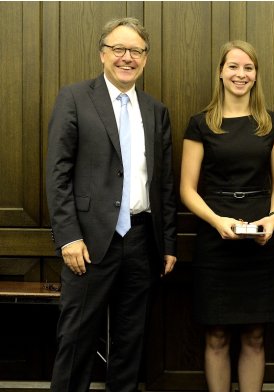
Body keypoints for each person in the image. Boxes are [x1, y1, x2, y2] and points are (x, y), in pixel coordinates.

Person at [45, 17, 177, 392]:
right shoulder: (74, 98)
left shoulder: (155, 110)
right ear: (103, 54)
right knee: (76, 340)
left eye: (135, 51)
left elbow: (163, 183)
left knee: (130, 341)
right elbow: (57, 174)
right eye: (118, 49)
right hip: (87, 244)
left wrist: (167, 244)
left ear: (145, 59)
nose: (127, 57)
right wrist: (68, 237)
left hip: (140, 242)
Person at [180, 40, 274, 392]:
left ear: (256, 75)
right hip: (215, 239)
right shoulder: (200, 124)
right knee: (217, 334)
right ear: (220, 72)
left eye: (248, 68)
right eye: (234, 67)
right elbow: (187, 189)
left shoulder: (269, 123)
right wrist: (216, 221)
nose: (241, 74)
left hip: (262, 240)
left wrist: (273, 217)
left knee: (256, 335)